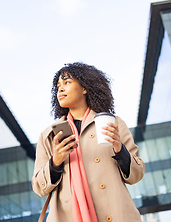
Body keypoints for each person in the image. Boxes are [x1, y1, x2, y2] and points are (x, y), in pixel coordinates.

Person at [32, 62, 145, 222]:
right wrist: (55, 162)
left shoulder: (113, 123)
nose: (60, 89)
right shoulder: (49, 135)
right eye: (58, 86)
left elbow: (136, 174)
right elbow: (38, 187)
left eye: (67, 82)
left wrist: (119, 149)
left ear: (84, 88)